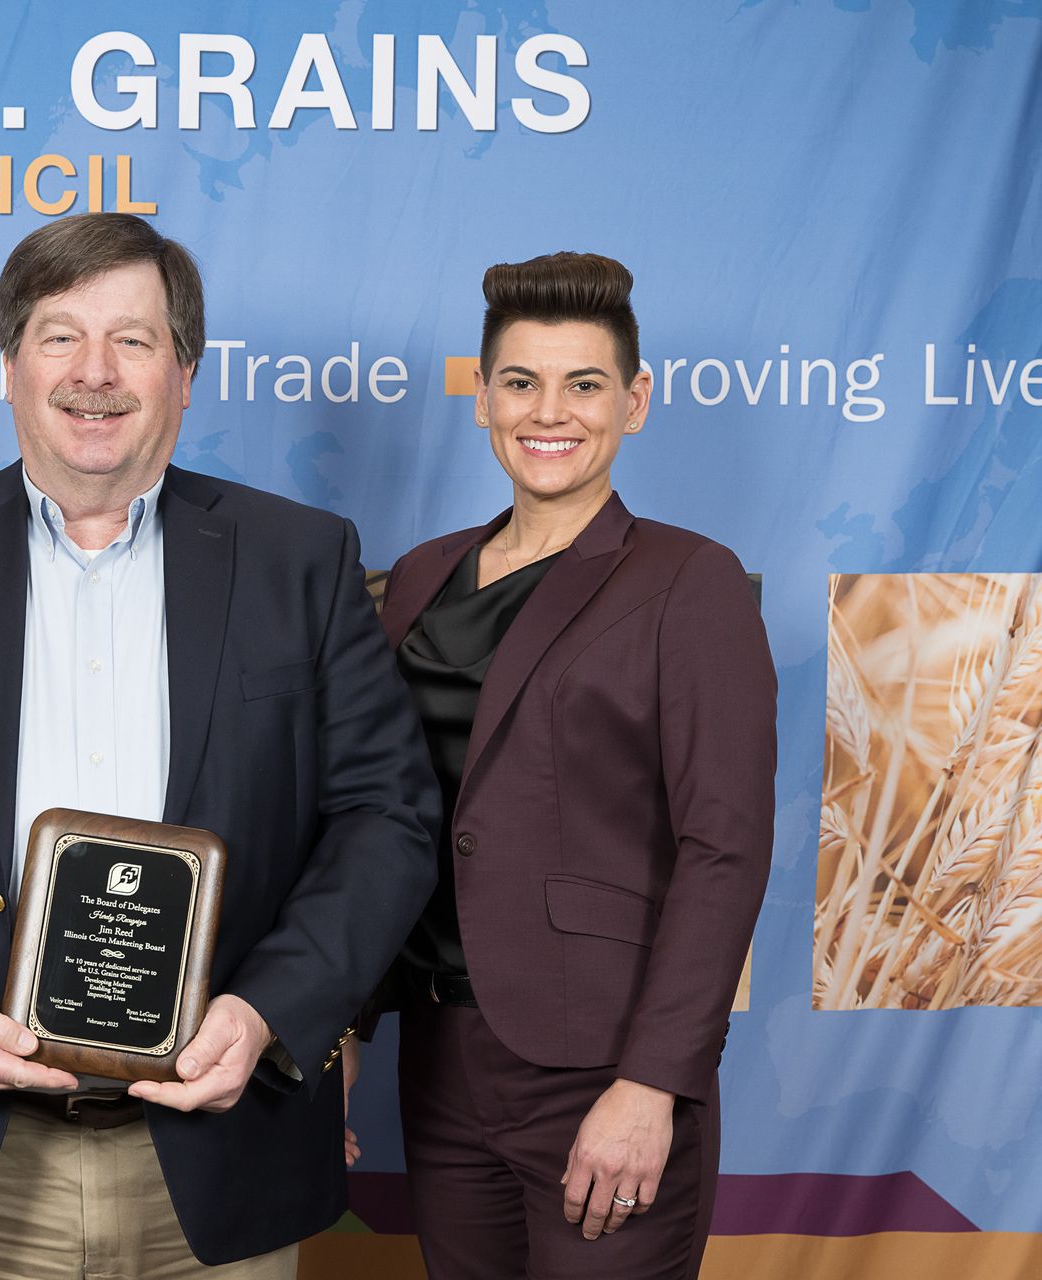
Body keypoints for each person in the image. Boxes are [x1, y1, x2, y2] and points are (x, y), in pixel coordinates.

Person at [0, 212, 440, 1277]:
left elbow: (385, 816)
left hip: (220, 1154)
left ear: (186, 371)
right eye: (61, 335)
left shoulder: (301, 560)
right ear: (11, 365)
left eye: (134, 339)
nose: (96, 373)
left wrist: (266, 1016)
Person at [354, 251, 775, 1278]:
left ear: (633, 401)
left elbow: (724, 848)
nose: (551, 411)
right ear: (483, 397)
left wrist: (653, 1083)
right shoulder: (419, 575)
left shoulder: (690, 578)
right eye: (521, 382)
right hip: (441, 1057)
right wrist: (344, 1026)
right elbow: (378, 812)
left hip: (603, 1063)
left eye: (584, 384)